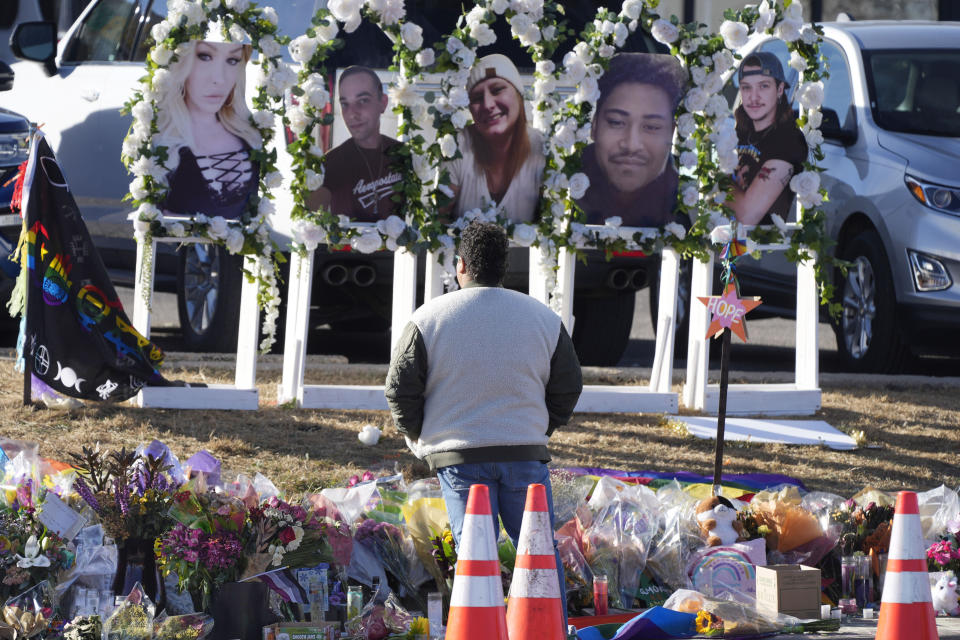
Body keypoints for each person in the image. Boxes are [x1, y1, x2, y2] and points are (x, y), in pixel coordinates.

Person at [384, 221, 582, 626]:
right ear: (504, 268)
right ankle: (552, 630)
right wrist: (540, 428)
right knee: (540, 555)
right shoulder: (542, 317)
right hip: (525, 453)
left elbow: (401, 389)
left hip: (457, 457)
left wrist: (420, 436)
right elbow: (568, 386)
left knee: (476, 558)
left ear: (460, 265)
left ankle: (479, 631)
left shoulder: (428, 317)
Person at [576, 53, 688, 227]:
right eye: (616, 122)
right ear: (594, 126)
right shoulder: (559, 195)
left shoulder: (692, 208)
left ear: (672, 132)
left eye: (651, 127)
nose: (632, 145)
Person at [157, 39, 260, 220]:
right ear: (181, 61)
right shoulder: (161, 139)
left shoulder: (249, 135)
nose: (219, 79)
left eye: (233, 60)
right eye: (205, 57)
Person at [445, 54, 545, 222]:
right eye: (477, 98)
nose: (488, 104)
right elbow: (439, 220)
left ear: (519, 94)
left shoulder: (543, 147)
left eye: (497, 90)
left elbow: (552, 226)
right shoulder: (457, 146)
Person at [308, 66, 403, 221]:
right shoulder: (332, 161)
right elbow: (311, 219)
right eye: (345, 104)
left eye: (363, 101)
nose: (352, 114)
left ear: (383, 102)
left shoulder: (402, 155)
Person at [730, 52, 808, 225]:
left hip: (766, 248)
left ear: (780, 89)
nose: (753, 97)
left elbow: (747, 216)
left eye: (763, 86)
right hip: (730, 242)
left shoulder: (788, 140)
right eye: (746, 87)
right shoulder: (741, 132)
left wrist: (719, 182)